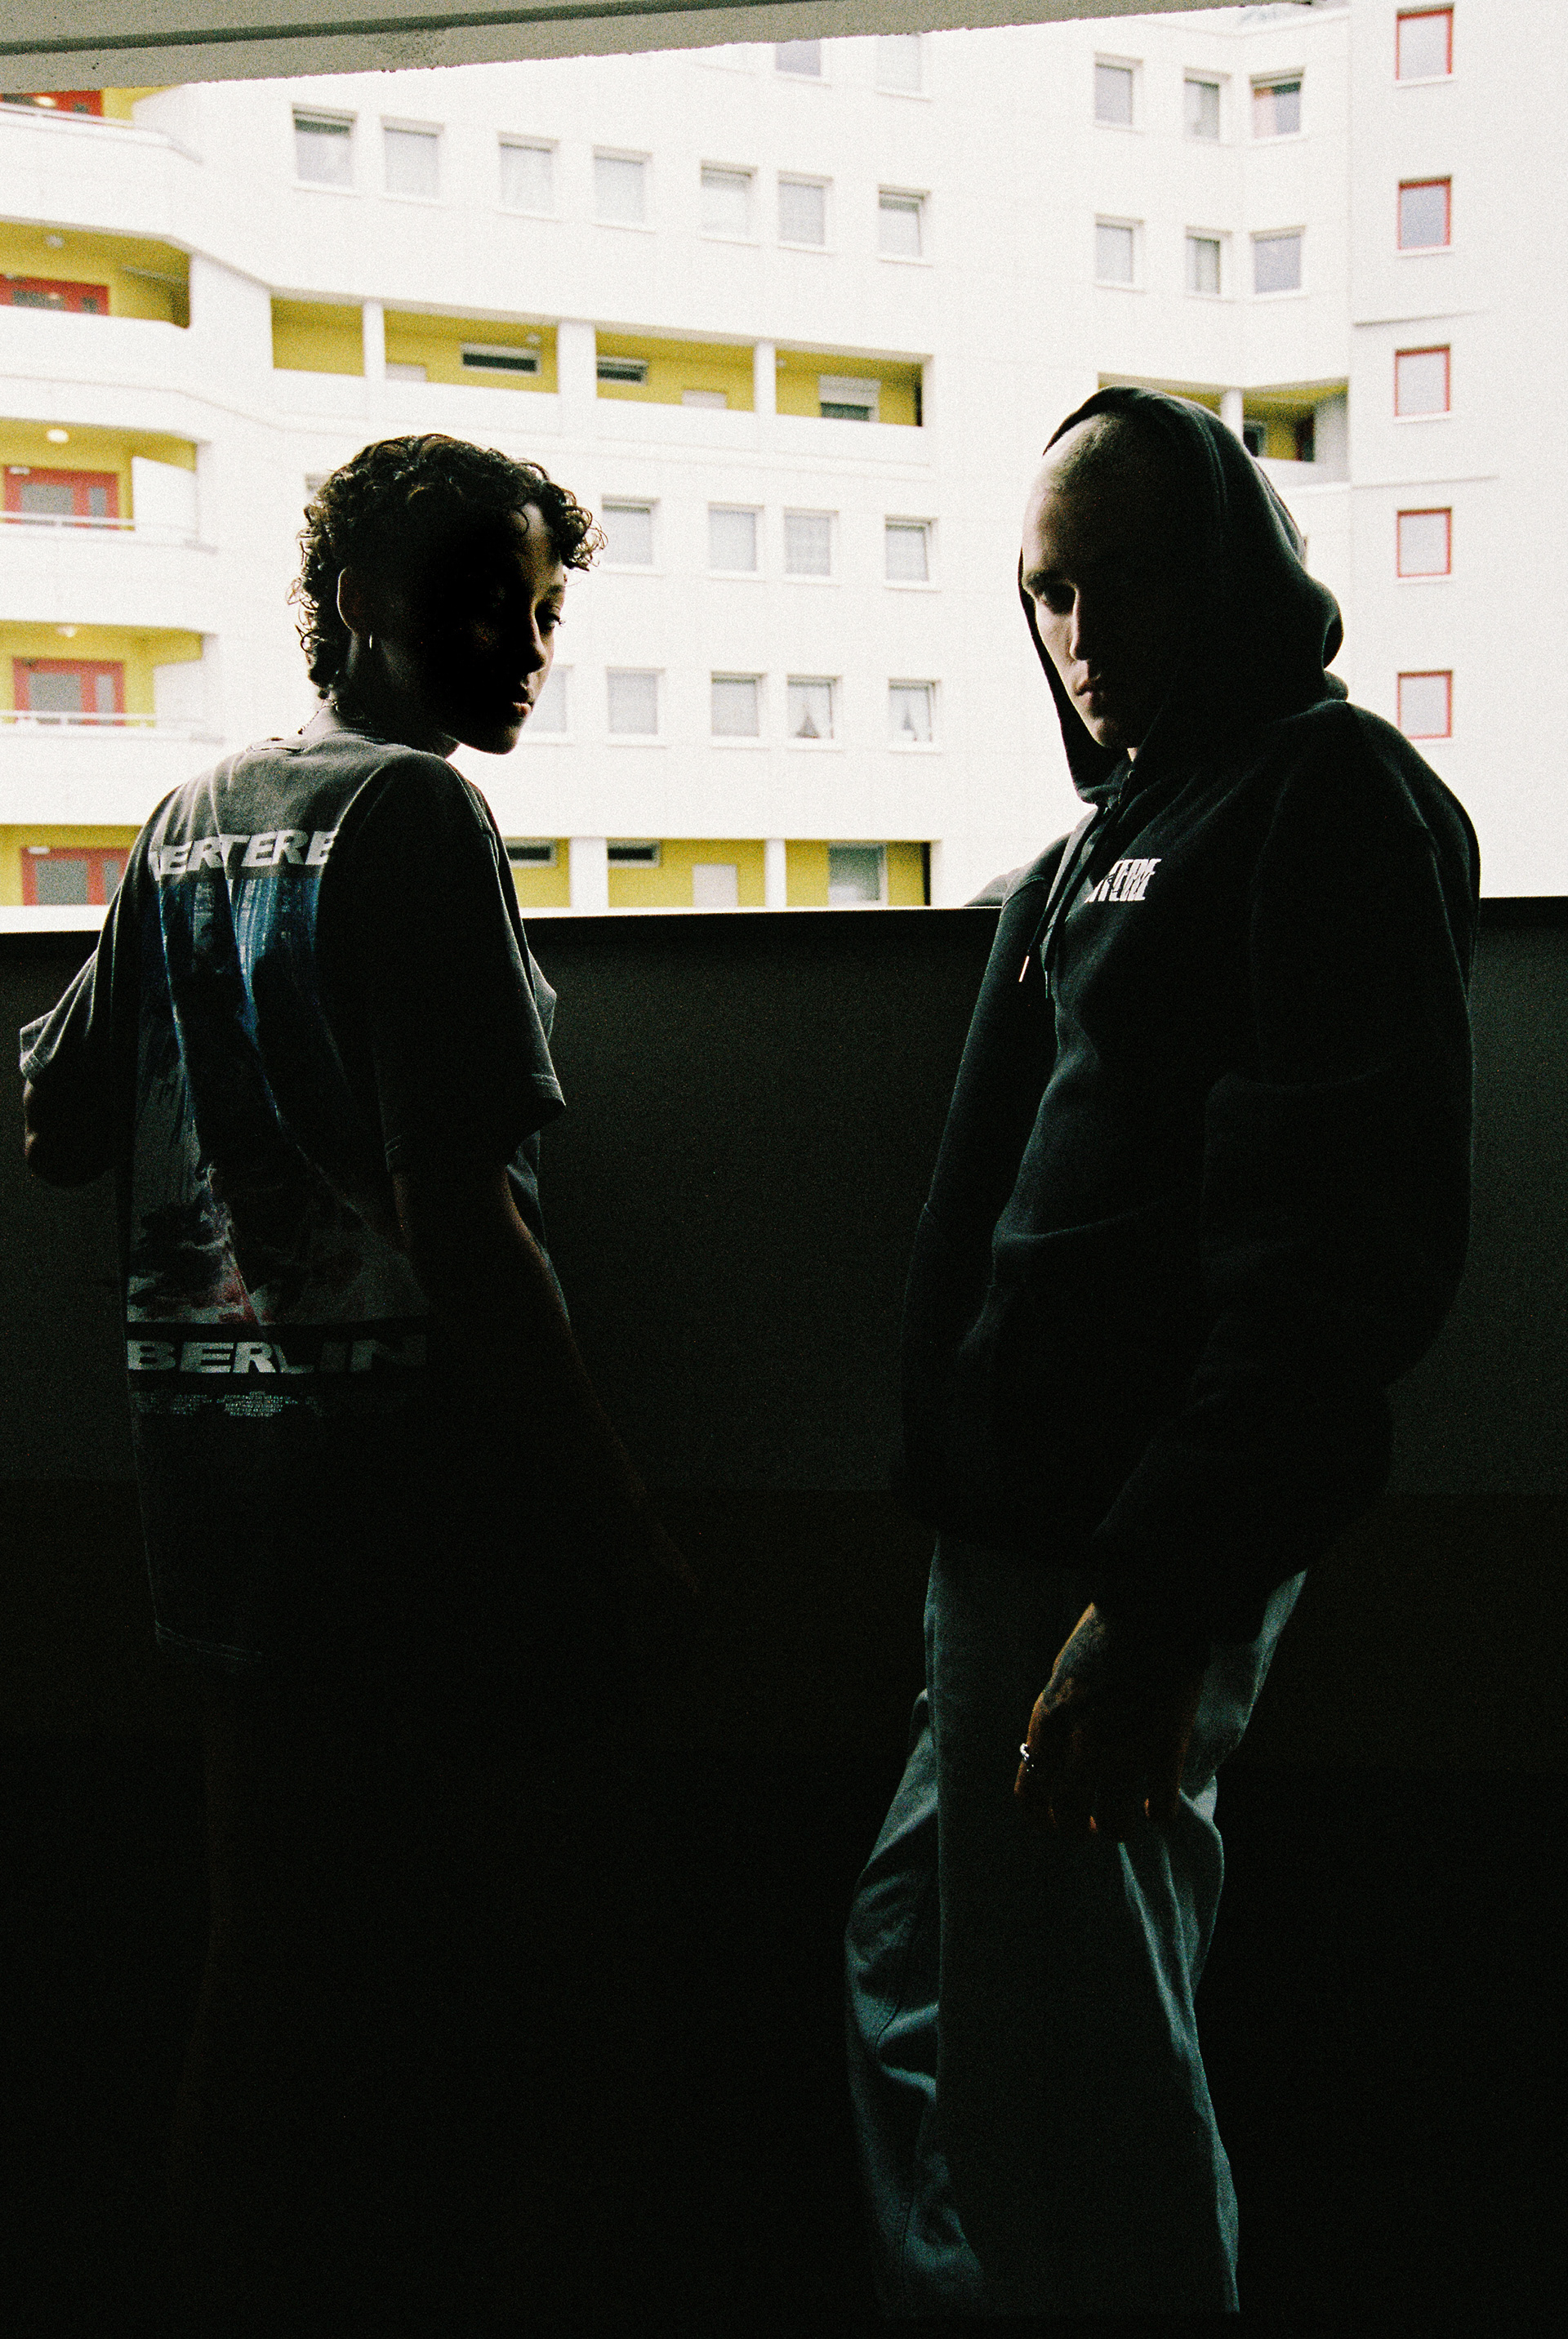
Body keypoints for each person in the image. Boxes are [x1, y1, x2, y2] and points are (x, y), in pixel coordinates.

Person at [20, 433, 694, 2334]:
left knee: (265, 1963)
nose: (528, 645)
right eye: (489, 603)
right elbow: (461, 1219)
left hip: (216, 1494)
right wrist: (620, 1518)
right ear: (358, 607)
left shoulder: (188, 818)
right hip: (417, 1497)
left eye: (545, 610)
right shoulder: (419, 817)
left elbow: (59, 1123)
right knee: (521, 1970)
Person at [844, 386, 1480, 2317]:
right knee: (923, 1978)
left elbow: (1337, 1252)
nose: (1082, 630)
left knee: (1080, 2077)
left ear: (1231, 572)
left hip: (1121, 1543)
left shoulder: (1325, 795)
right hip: (1007, 1532)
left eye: (1122, 580)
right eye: (1048, 592)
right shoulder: (1096, 848)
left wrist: (1155, 1596)